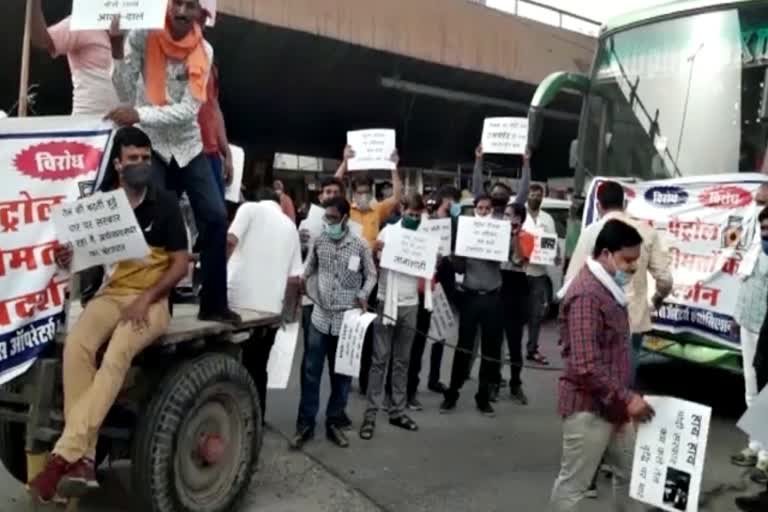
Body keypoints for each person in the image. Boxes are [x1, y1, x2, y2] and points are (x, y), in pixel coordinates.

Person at [29, 127, 190, 503]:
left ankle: (62, 458)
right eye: (133, 159)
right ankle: (84, 461)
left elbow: (181, 264)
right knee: (77, 348)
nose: (140, 165)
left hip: (152, 301)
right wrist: (69, 257)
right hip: (111, 294)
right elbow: (86, 258)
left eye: (146, 159)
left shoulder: (165, 203)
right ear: (118, 164)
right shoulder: (102, 204)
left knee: (117, 354)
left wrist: (147, 298)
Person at [107, 2, 240, 325]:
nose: (182, 10)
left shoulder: (204, 51)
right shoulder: (142, 34)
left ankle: (213, 303)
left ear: (199, 14)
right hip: (151, 145)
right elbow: (126, 90)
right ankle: (153, 304)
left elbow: (187, 111)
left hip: (188, 145)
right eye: (177, 2)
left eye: (190, 5)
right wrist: (115, 47)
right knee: (151, 218)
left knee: (215, 215)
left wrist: (139, 113)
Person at [549, 219, 655, 512]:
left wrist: (622, 401)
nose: (632, 269)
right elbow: (585, 364)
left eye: (636, 261)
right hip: (588, 408)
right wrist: (627, 398)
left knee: (633, 476)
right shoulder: (587, 293)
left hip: (614, 406)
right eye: (628, 261)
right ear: (606, 253)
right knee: (574, 487)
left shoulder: (608, 288)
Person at [440, 145, 530, 416]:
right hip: (469, 296)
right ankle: (452, 394)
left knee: (490, 350)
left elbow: (522, 196)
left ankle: (483, 397)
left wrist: (526, 164)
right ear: (475, 208)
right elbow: (457, 265)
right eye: (479, 207)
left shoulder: (501, 229)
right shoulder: (466, 229)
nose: (482, 210)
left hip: (493, 296)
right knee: (463, 348)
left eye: (487, 207)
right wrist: (477, 160)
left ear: (493, 210)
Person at [563, 181, 673, 381]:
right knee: (625, 381)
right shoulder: (646, 232)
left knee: (596, 378)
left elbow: (571, 280)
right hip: (633, 319)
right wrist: (656, 300)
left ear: (598, 205)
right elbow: (665, 280)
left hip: (596, 319)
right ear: (624, 203)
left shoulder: (591, 232)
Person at [293, 197, 377, 449]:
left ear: (343, 218)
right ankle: (305, 424)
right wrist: (301, 279)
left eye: (331, 217)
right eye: (325, 217)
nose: (327, 222)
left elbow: (371, 274)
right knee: (311, 373)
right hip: (320, 317)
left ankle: (334, 422)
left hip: (346, 320)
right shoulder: (320, 240)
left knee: (341, 376)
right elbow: (309, 267)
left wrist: (363, 295)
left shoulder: (360, 245)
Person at [226, 188, 303, 421]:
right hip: (270, 311)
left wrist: (214, 279)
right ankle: (257, 417)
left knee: (231, 364)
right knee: (258, 366)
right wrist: (287, 315)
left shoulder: (249, 208)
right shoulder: (290, 227)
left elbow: (230, 242)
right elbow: (295, 279)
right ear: (279, 201)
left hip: (237, 305)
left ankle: (233, 417)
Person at [335, 144, 402, 395]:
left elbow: (397, 196)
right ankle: (342, 377)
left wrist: (394, 166)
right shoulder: (345, 210)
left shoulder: (378, 210)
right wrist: (344, 162)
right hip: (347, 276)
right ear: (353, 193)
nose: (363, 196)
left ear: (371, 193)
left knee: (369, 327)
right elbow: (333, 188)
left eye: (367, 192)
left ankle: (365, 380)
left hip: (371, 275)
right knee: (347, 326)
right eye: (359, 192)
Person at [360, 193, 428, 439]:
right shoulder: (388, 232)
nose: (414, 219)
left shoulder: (424, 237)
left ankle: (397, 410)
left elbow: (427, 267)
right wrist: (376, 251)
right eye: (410, 214)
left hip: (411, 303)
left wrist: (435, 261)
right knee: (379, 360)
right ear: (403, 210)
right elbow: (372, 264)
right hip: (386, 301)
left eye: (418, 216)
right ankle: (370, 413)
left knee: (402, 361)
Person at [405, 185, 462, 408]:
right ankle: (410, 386)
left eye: (456, 202)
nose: (454, 206)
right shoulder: (424, 224)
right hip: (421, 286)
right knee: (415, 340)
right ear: (441, 201)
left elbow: (458, 259)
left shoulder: (456, 226)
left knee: (440, 333)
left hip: (444, 284)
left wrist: (447, 258)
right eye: (451, 202)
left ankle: (434, 378)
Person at [28, 0, 119, 115]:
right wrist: (34, 4)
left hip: (125, 124)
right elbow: (42, 41)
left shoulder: (133, 27)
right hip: (89, 121)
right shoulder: (80, 22)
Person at [732, 195, 768, 479]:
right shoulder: (755, 248)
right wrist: (737, 318)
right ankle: (754, 446)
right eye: (763, 228)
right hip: (747, 323)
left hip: (766, 329)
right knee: (751, 387)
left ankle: (766, 455)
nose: (764, 233)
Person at [524, 183, 558, 365]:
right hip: (519, 271)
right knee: (512, 314)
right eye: (532, 193)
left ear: (542, 197)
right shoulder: (518, 214)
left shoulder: (548, 219)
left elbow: (551, 243)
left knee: (536, 314)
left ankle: (532, 349)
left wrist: (556, 254)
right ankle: (507, 351)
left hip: (538, 273)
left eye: (538, 194)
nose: (535, 197)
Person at [198, 59, 233, 200]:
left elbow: (214, 107)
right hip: (182, 152)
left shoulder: (210, 65)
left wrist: (227, 153)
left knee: (216, 215)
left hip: (210, 154)